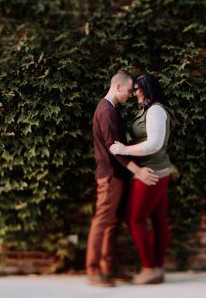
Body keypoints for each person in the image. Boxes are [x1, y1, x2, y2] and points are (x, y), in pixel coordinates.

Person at [87, 69, 160, 288]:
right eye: (129, 90)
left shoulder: (112, 109)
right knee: (102, 221)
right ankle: (93, 269)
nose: (130, 95)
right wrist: (137, 171)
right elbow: (114, 149)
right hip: (109, 176)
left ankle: (108, 268)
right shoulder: (106, 112)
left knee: (112, 223)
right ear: (117, 86)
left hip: (117, 176)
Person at [110, 72, 175, 286]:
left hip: (150, 173)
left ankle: (149, 268)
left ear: (146, 89)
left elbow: (154, 144)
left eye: (137, 88)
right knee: (158, 220)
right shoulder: (150, 109)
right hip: (159, 171)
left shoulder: (155, 110)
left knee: (134, 219)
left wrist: (125, 149)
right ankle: (157, 267)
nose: (134, 92)